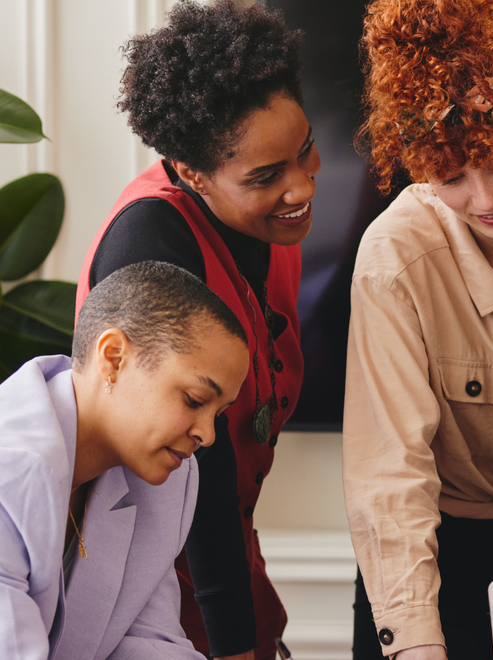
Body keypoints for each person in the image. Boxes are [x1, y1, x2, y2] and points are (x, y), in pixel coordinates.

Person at [341, 1, 493, 658]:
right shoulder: (395, 258)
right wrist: (418, 644)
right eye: (451, 178)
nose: (486, 200)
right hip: (441, 560)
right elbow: (388, 474)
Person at [73, 3, 318, 659]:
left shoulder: (275, 229)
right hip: (154, 605)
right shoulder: (149, 244)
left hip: (235, 574)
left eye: (305, 151)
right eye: (266, 177)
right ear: (191, 172)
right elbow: (198, 479)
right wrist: (237, 645)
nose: (301, 188)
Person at [0, 262, 249, 660]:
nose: (208, 434)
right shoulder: (9, 464)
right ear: (113, 357)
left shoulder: (171, 484)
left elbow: (148, 642)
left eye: (218, 413)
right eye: (195, 400)